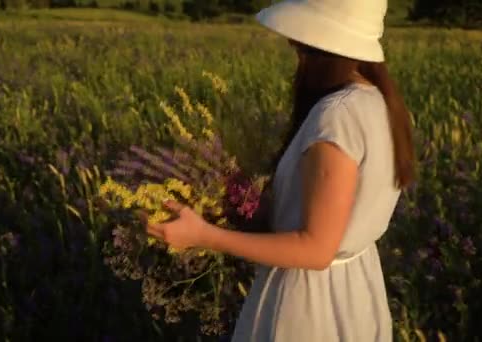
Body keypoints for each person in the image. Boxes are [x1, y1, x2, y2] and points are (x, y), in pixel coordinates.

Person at [146, 0, 416, 340]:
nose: (293, 47)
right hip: (355, 290)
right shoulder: (378, 101)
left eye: (302, 44)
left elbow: (315, 250)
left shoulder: (337, 117)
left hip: (308, 303)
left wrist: (203, 235)